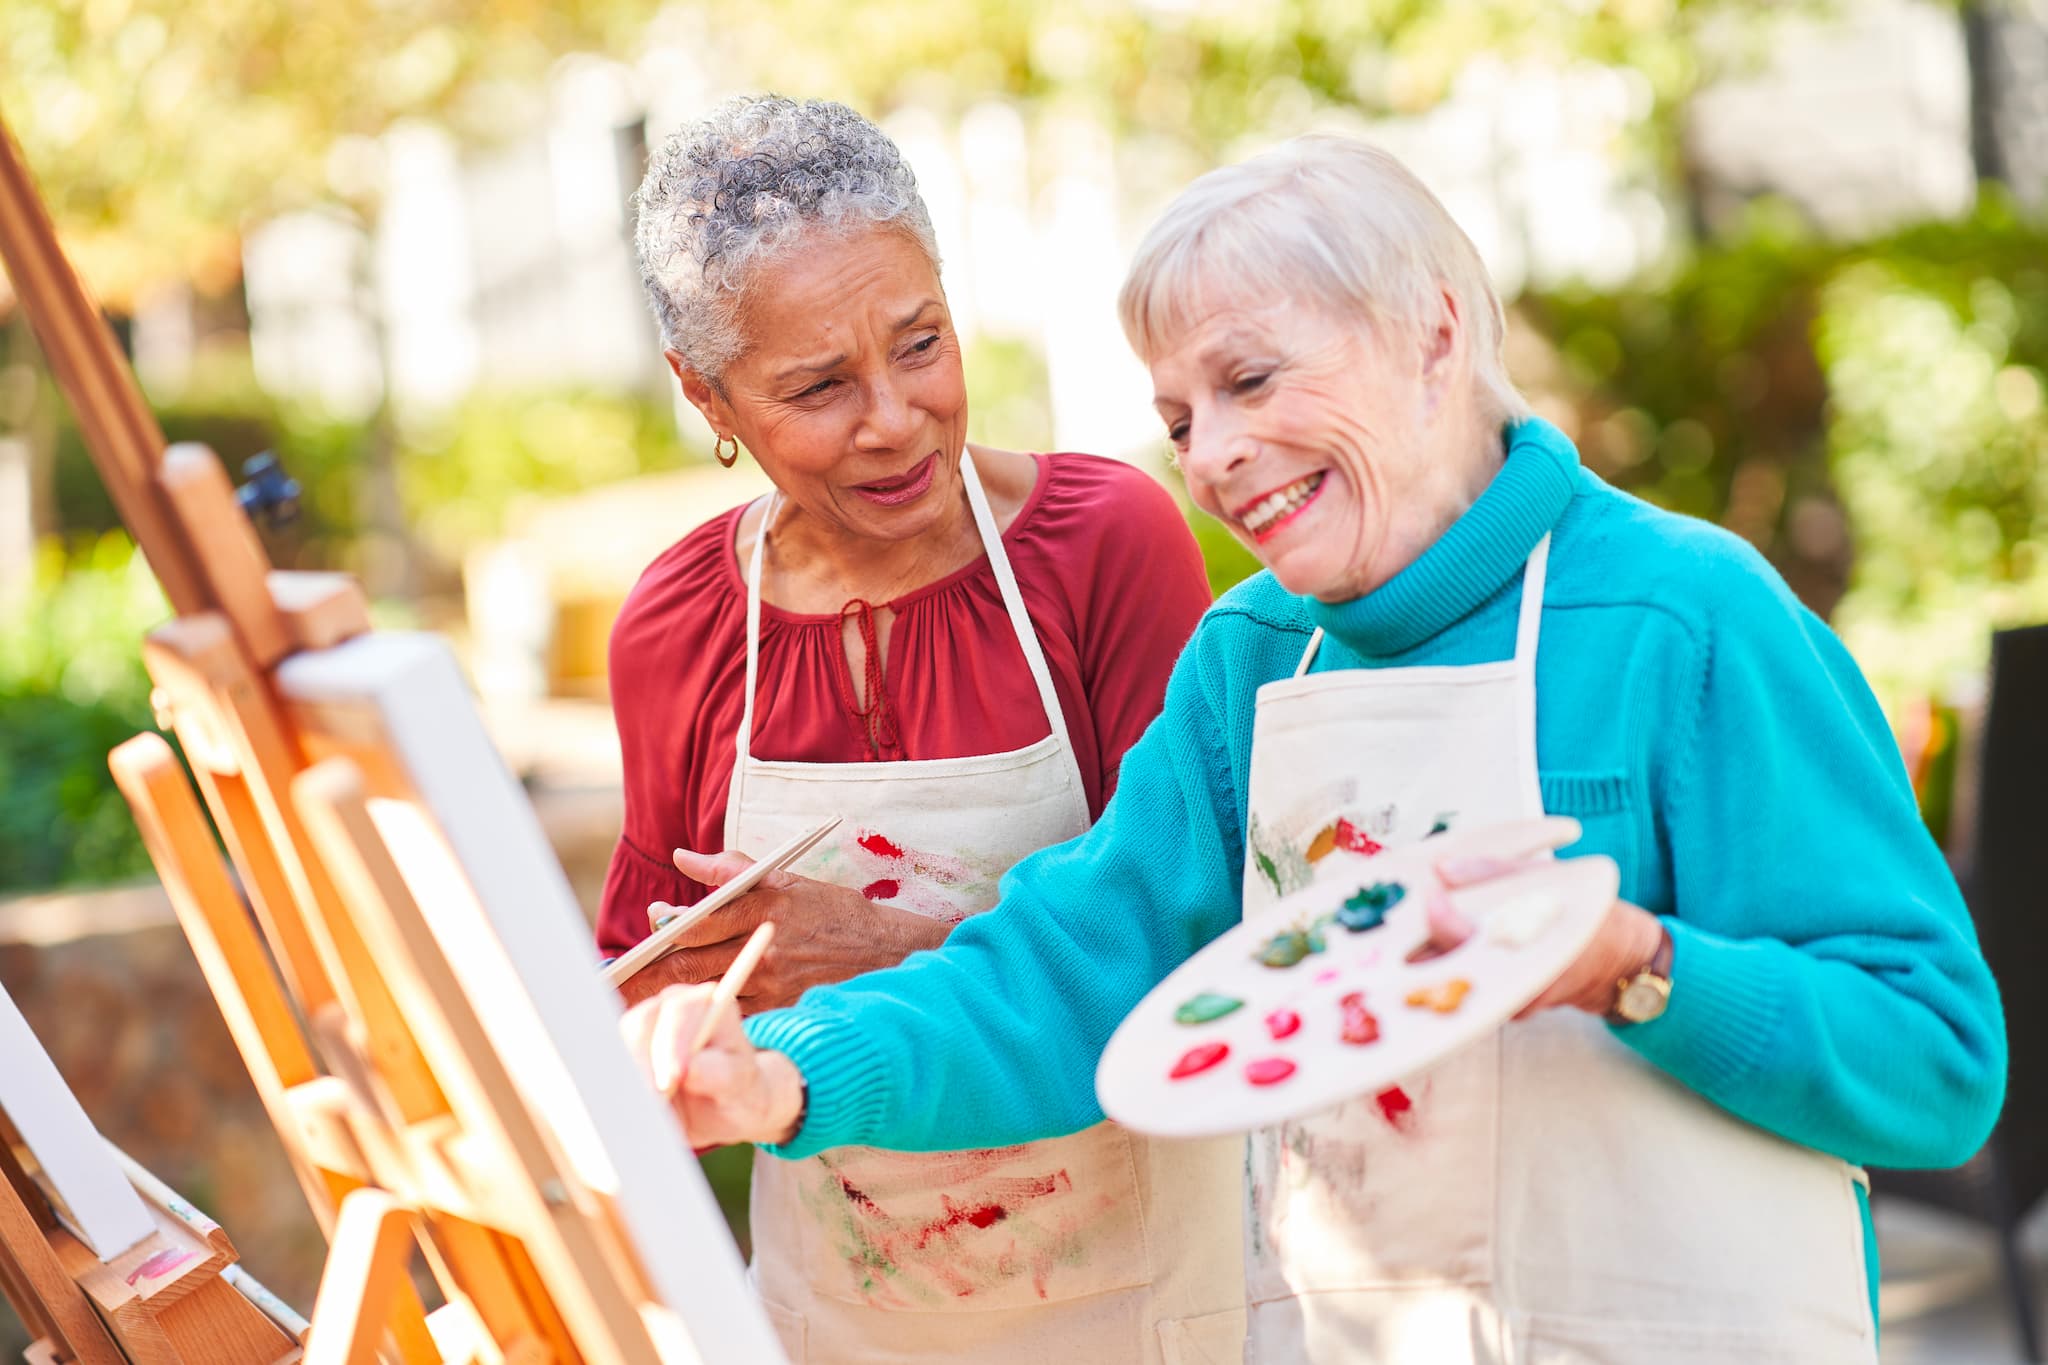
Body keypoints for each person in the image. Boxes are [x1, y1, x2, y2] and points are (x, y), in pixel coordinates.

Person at [625, 134, 2009, 1363]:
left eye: (1250, 380)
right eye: (1179, 417)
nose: (1214, 454)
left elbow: (1938, 1066)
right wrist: (788, 1072)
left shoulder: (1684, 619)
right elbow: (1065, 973)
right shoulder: (1252, 659)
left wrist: (1636, 965)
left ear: (1433, 334)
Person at [603, 94, 1245, 1364]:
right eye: (817, 386)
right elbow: (642, 989)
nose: (894, 419)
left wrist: (874, 949)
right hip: (835, 1319)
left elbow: (1205, 960)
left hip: (1143, 1306)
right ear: (705, 394)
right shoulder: (677, 625)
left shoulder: (1100, 549)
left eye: (919, 344)